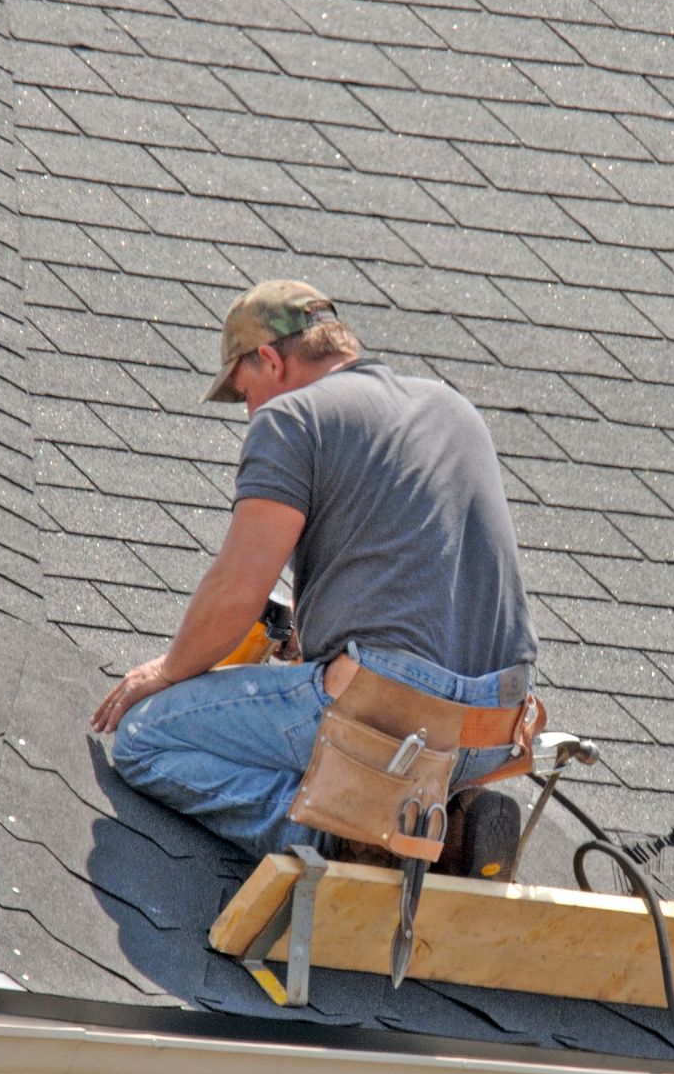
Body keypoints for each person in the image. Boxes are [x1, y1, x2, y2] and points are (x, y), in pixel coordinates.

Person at [90, 280, 538, 863]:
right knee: (336, 678)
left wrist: (169, 671)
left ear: (272, 361)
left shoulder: (291, 420)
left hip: (384, 721)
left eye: (246, 391)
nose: (251, 411)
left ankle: (350, 835)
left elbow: (236, 592)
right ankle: (452, 827)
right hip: (491, 731)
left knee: (145, 737)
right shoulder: (449, 407)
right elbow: (417, 569)